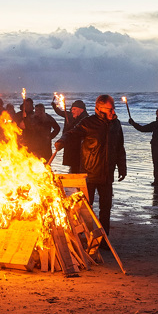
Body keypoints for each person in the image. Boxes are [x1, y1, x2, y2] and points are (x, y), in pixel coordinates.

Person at [55, 95, 126, 234]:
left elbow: (119, 147)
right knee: (86, 208)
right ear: (99, 109)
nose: (113, 112)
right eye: (110, 109)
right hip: (89, 173)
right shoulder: (88, 123)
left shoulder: (116, 124)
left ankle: (104, 238)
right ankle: (87, 235)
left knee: (106, 208)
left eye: (113, 109)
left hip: (107, 174)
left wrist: (122, 166)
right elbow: (71, 133)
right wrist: (62, 141)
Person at [128, 108, 158, 189]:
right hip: (155, 146)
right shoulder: (155, 124)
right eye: (157, 113)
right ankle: (157, 181)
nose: (157, 115)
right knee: (156, 164)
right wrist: (133, 123)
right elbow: (143, 129)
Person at [51, 99, 89, 173]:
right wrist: (54, 106)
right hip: (71, 146)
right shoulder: (70, 115)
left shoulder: (86, 120)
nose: (72, 111)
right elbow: (60, 112)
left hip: (80, 149)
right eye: (72, 109)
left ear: (81, 110)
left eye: (74, 109)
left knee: (79, 167)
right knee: (73, 166)